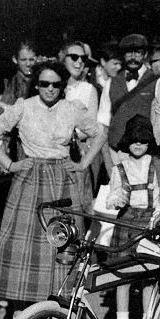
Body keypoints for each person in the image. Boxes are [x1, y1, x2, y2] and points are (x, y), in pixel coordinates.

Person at [0, 60, 105, 312]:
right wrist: (10, 164)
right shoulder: (23, 107)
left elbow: (100, 133)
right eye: (44, 84)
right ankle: (22, 311)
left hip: (62, 179)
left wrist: (82, 164)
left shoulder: (71, 108)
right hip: (30, 179)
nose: (50, 89)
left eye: (56, 84)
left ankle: (59, 308)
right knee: (24, 245)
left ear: (63, 86)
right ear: (36, 85)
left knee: (63, 241)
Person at [105, 115, 160, 319]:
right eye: (134, 140)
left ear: (149, 143)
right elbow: (112, 195)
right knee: (122, 276)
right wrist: (117, 199)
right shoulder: (120, 167)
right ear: (127, 141)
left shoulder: (156, 163)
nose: (138, 145)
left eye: (143, 141)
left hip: (150, 223)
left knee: (148, 275)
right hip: (127, 222)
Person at [106, 33, 157, 172]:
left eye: (138, 52)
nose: (133, 57)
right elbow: (103, 121)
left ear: (145, 54)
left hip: (145, 152)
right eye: (129, 52)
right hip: (116, 152)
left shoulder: (156, 81)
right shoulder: (112, 81)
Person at [62, 41, 101, 207]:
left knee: (76, 203)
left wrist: (70, 133)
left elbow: (91, 127)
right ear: (63, 58)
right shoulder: (53, 85)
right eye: (74, 57)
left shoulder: (88, 90)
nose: (79, 62)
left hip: (75, 151)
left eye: (83, 58)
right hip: (49, 152)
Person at [1, 40, 39, 105]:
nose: (28, 64)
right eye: (23, 60)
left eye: (31, 59)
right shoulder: (8, 83)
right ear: (15, 60)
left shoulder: (40, 81)